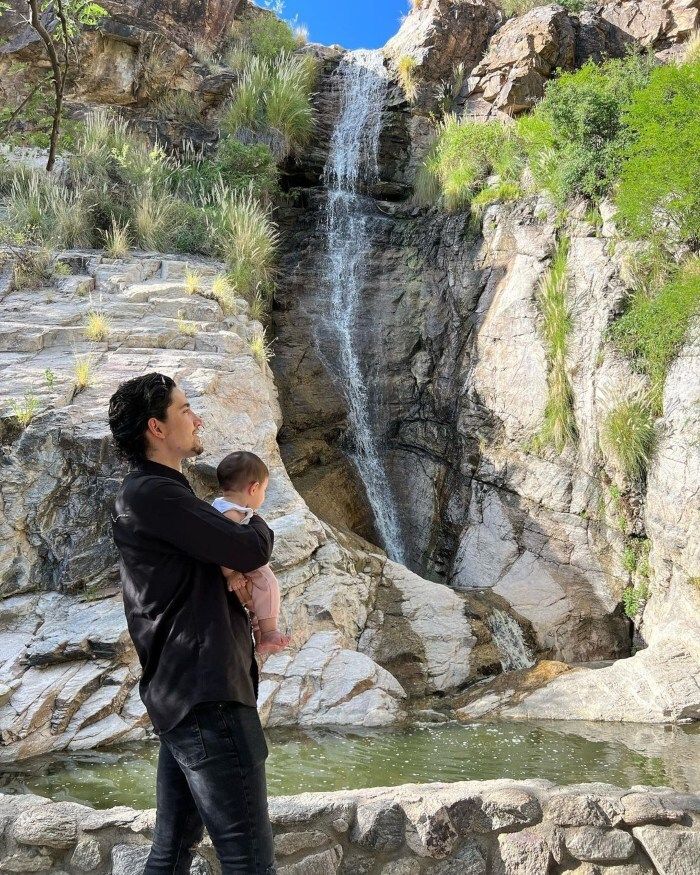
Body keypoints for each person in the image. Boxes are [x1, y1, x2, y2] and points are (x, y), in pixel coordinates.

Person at [108, 372, 277, 874]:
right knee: (248, 858)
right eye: (185, 409)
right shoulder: (154, 496)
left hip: (189, 696)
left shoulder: (161, 498)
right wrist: (250, 511)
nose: (197, 417)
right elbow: (249, 547)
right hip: (208, 695)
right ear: (156, 428)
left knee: (173, 850)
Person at [213, 451, 290, 655]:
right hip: (237, 567)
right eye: (264, 490)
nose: (263, 496)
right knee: (267, 582)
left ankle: (261, 637)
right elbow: (222, 545)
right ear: (253, 488)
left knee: (256, 600)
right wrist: (230, 573)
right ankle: (270, 631)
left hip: (238, 565)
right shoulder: (231, 514)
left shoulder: (222, 507)